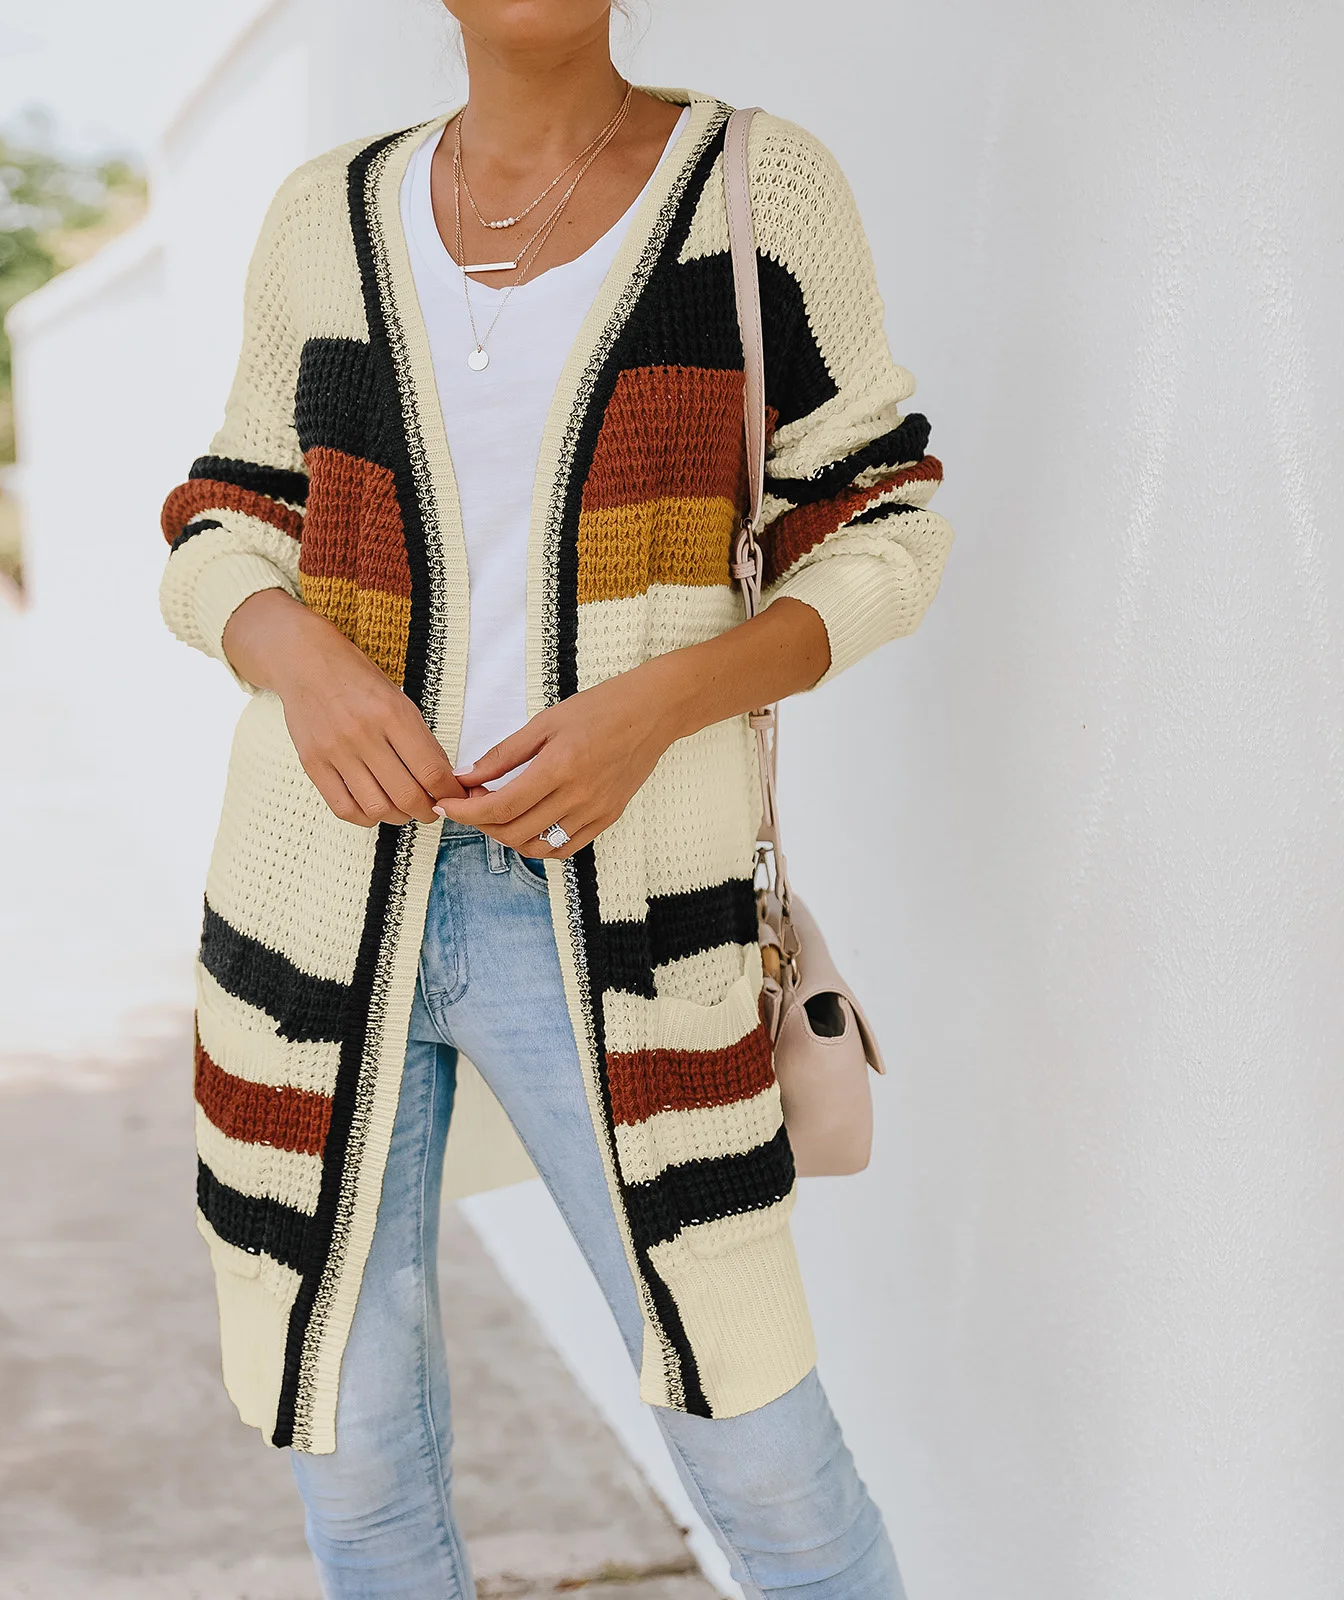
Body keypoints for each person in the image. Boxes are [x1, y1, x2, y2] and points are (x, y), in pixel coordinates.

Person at [157, 3, 952, 1594]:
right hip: (317, 906)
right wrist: (299, 661)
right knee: (359, 1472)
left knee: (766, 1464)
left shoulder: (755, 189)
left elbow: (886, 528)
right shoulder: (327, 213)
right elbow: (223, 521)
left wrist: (658, 707)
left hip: (626, 916)